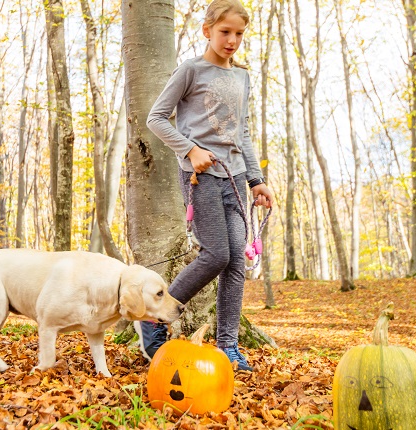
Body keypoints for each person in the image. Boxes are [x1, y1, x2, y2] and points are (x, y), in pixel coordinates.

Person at [137, 0, 275, 372]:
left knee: (234, 264)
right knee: (215, 254)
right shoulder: (191, 71)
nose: (232, 40)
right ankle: (153, 317)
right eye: (225, 32)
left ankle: (227, 345)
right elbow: (156, 118)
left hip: (234, 182)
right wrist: (191, 149)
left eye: (239, 34)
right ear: (207, 31)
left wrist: (256, 180)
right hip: (200, 178)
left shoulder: (242, 78)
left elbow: (241, 133)